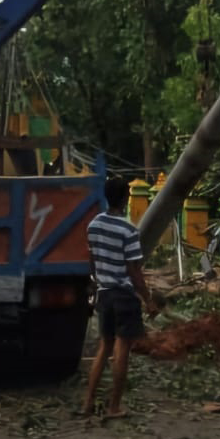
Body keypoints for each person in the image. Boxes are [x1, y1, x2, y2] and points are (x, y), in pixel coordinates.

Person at [81, 177, 158, 418]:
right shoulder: (128, 230)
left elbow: (92, 261)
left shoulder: (93, 225)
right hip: (124, 296)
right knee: (121, 348)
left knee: (104, 346)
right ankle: (114, 406)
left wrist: (95, 283)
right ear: (125, 199)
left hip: (105, 294)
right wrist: (148, 299)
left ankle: (88, 403)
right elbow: (134, 271)